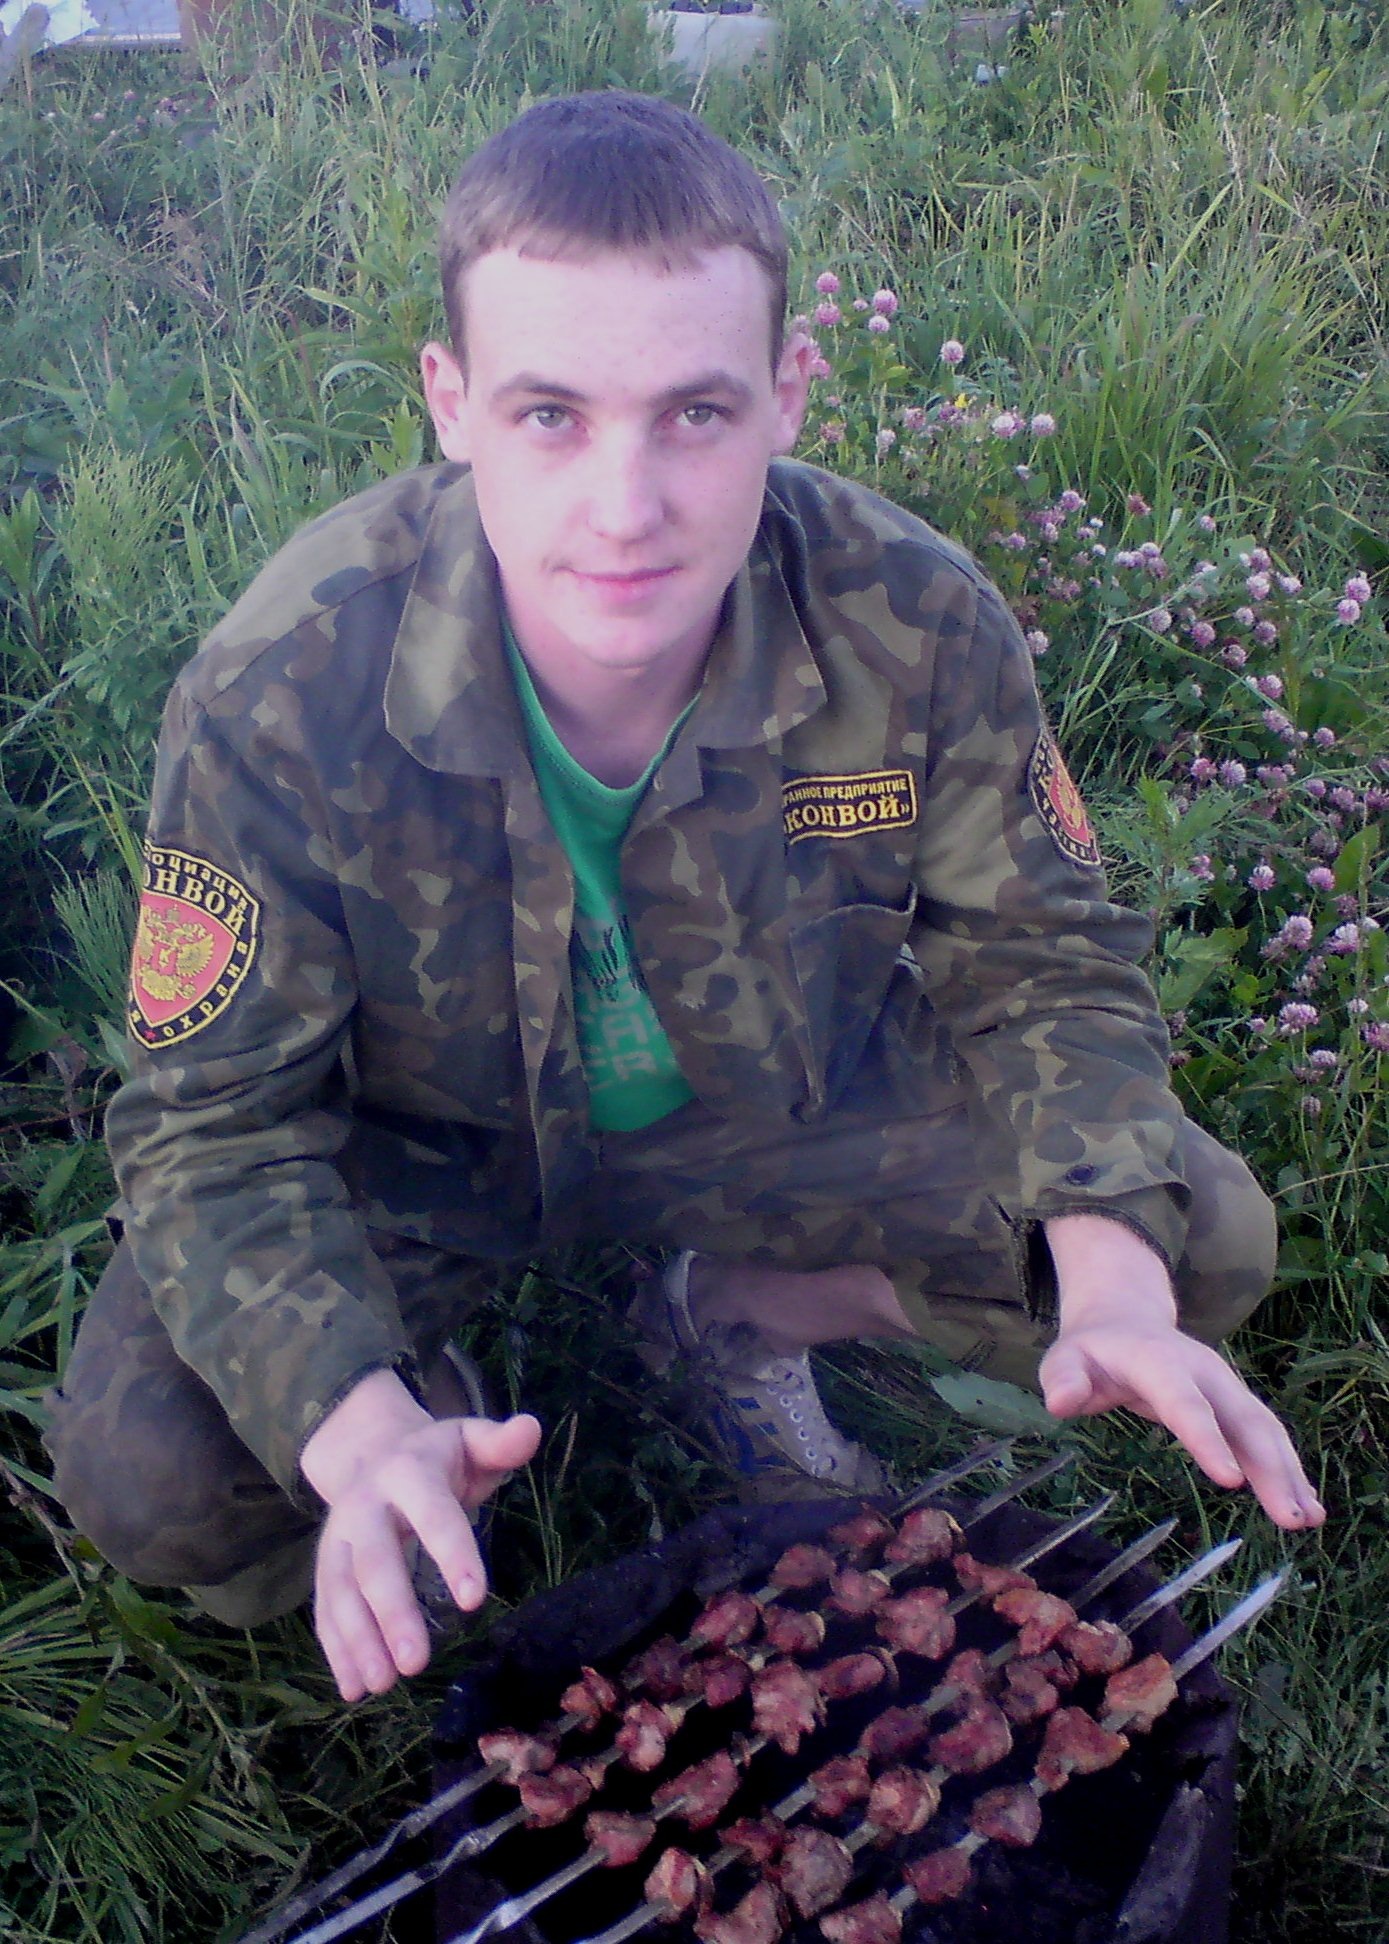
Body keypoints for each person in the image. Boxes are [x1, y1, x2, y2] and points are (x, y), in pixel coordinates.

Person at [45, 91, 1323, 1708]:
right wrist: (346, 1419)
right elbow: (213, 1122)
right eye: (550, 415)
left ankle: (740, 1312)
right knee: (150, 1471)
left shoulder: (909, 617)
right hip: (432, 1152)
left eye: (695, 414)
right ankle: (424, 1401)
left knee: (1187, 1238)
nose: (625, 505)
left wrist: (1111, 1292)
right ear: (450, 403)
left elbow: (1041, 961)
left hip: (774, 1109)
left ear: (788, 393)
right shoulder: (286, 685)